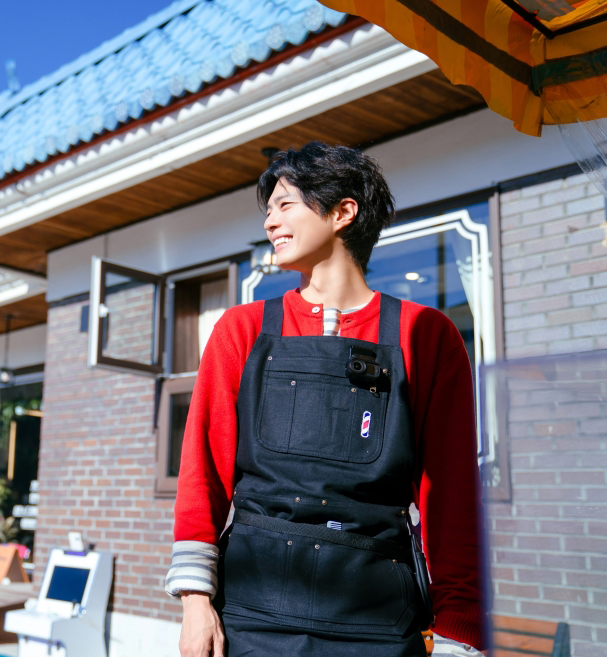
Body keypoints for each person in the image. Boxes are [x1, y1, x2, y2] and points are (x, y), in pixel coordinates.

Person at [165, 142, 488, 657]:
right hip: (250, 615)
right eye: (267, 209)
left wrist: (459, 634)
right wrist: (195, 601)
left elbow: (451, 495)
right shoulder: (241, 330)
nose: (270, 221)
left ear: (343, 212)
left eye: (285, 203)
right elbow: (202, 471)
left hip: (378, 621)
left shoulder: (425, 333)